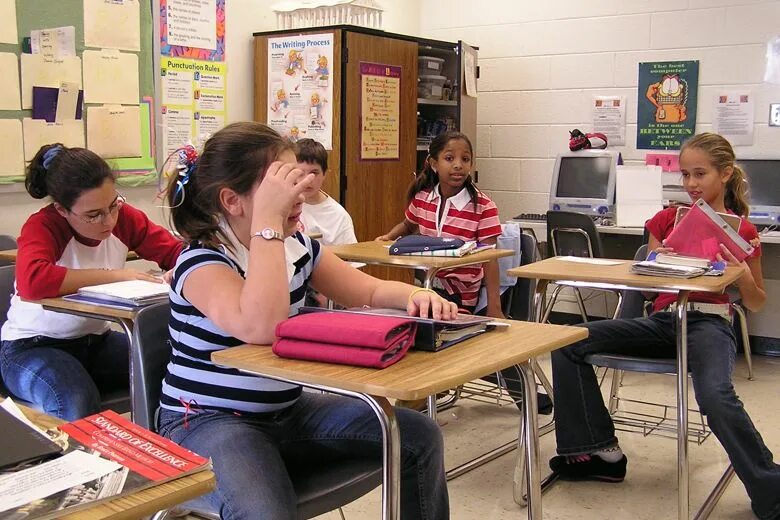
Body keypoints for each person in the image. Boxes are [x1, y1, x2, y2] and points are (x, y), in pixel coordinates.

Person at [156, 122, 453, 520]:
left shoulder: (297, 246)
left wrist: (416, 294)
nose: (298, 192)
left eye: (296, 178)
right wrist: (268, 225)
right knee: (265, 511)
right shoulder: (201, 261)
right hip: (204, 419)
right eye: (280, 184)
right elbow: (261, 326)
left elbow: (366, 291)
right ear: (233, 200)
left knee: (417, 436)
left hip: (286, 411)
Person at [549, 133, 780, 520]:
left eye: (700, 174)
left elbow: (756, 301)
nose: (691, 184)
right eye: (685, 174)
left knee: (715, 395)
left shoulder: (743, 230)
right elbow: (645, 284)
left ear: (725, 174)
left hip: (709, 324)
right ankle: (597, 452)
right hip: (663, 321)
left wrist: (740, 278)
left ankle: (769, 486)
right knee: (567, 339)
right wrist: (656, 263)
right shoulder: (666, 219)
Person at [0, 144, 183, 421]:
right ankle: (71, 465)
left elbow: (175, 252)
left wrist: (185, 267)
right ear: (62, 210)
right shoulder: (43, 226)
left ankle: (163, 457)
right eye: (93, 215)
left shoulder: (123, 218)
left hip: (96, 341)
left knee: (174, 366)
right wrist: (116, 275)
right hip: (31, 348)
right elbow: (33, 281)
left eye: (113, 206)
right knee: (76, 399)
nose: (108, 221)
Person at [376, 131, 503, 317]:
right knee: (384, 310)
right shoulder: (422, 199)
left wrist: (495, 307)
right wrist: (389, 237)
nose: (458, 165)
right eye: (449, 158)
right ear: (434, 164)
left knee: (422, 320)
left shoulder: (484, 206)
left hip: (459, 294)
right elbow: (408, 224)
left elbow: (490, 258)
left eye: (465, 159)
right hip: (425, 284)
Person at [294, 138, 357, 246]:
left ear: (324, 174)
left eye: (314, 172)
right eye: (300, 172)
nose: (307, 179)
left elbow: (349, 259)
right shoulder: (282, 203)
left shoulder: (338, 216)